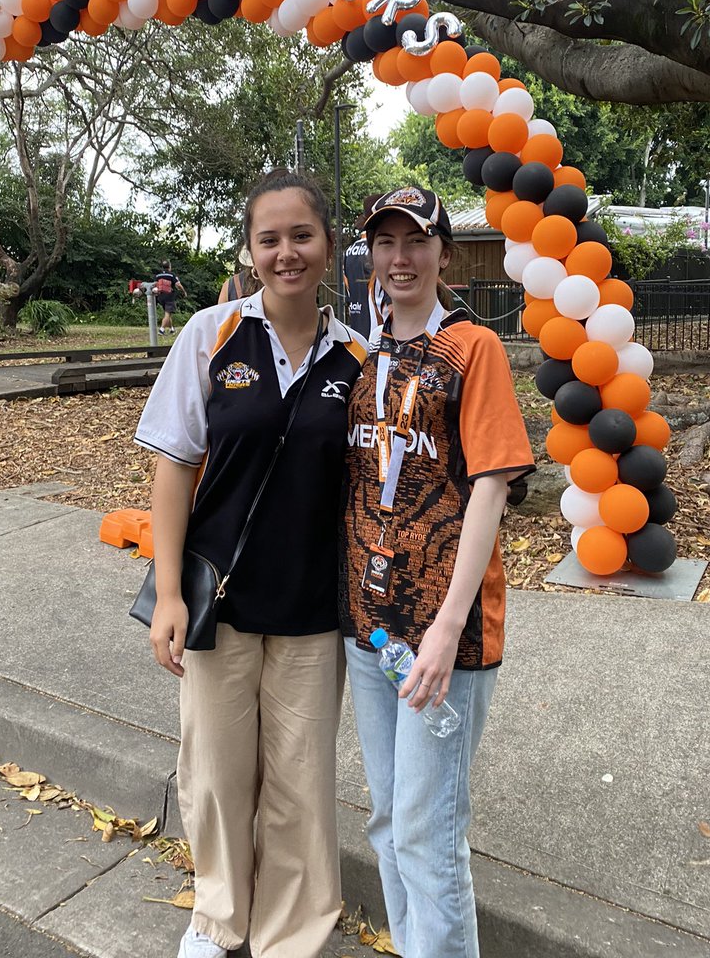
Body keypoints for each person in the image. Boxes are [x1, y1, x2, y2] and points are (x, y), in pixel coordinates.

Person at [135, 170, 368, 958]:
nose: (286, 253)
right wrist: (169, 594)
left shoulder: (358, 359)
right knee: (215, 776)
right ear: (250, 248)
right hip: (219, 603)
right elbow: (173, 467)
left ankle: (291, 933)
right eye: (269, 238)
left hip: (311, 611)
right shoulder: (210, 334)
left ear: (329, 246)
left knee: (300, 787)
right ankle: (218, 916)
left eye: (301, 235)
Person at [338, 187, 535, 958]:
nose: (400, 258)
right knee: (389, 821)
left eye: (416, 242)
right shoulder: (366, 352)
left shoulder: (472, 349)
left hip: (441, 636)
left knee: (429, 832)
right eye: (384, 244)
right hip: (370, 629)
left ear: (443, 255)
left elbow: (491, 486)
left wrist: (450, 628)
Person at [153, 260, 187, 333]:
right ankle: (161, 329)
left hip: (160, 296)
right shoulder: (171, 275)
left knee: (167, 313)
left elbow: (155, 284)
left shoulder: (158, 275)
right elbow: (178, 284)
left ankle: (172, 329)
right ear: (169, 267)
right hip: (169, 296)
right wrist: (184, 291)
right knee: (167, 313)